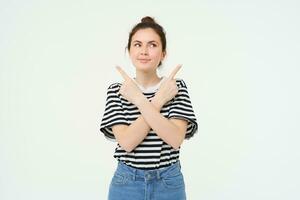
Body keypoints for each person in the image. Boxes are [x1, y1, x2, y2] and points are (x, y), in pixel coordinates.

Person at [100, 16, 198, 200]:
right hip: (126, 183)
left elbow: (175, 139)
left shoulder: (175, 87)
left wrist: (142, 100)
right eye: (137, 44)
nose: (144, 51)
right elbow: (128, 143)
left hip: (168, 183)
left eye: (152, 45)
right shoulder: (117, 91)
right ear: (129, 51)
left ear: (163, 54)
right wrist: (156, 100)